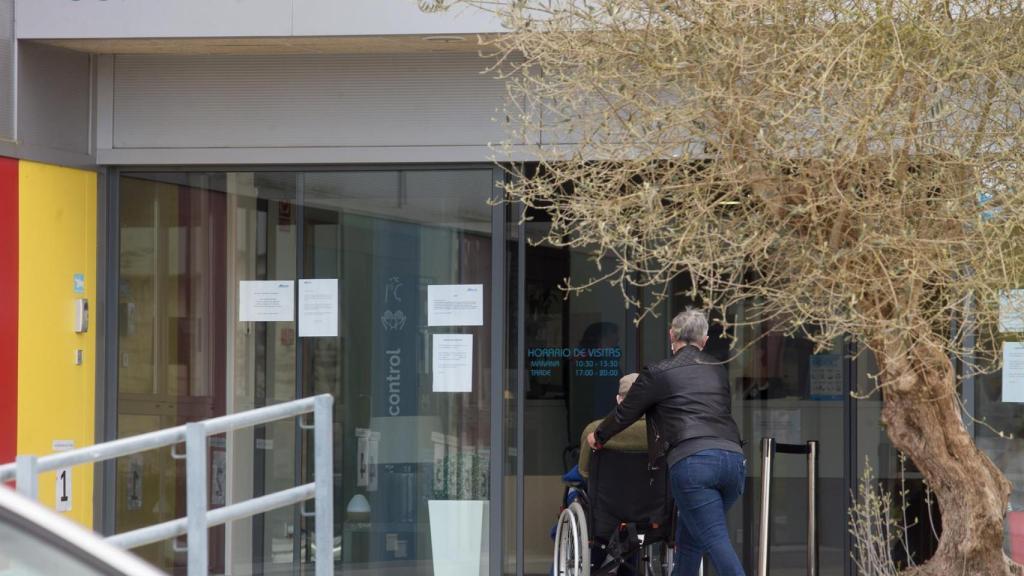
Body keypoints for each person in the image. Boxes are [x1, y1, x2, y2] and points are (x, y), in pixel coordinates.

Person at [588, 308, 746, 576]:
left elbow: (626, 412)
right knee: (689, 540)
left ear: (671, 335)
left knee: (715, 538)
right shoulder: (717, 371)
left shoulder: (658, 372)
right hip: (733, 462)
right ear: (704, 340)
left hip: (694, 463)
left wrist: (599, 436)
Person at [578, 372, 646, 478]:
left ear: (618, 399)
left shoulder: (594, 430)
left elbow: (584, 473)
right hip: (653, 493)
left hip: (604, 493)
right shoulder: (665, 430)